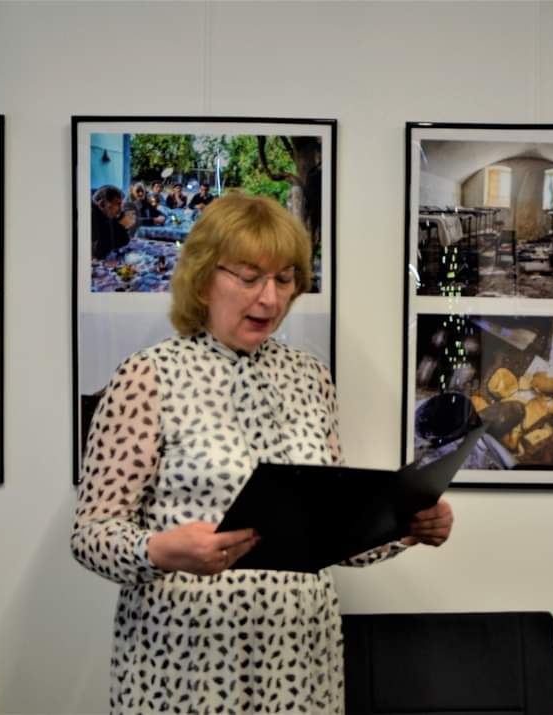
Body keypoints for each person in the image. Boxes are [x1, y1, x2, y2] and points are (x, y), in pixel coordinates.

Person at [71, 192, 454, 713]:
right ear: (203, 278)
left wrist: (406, 525)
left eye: (284, 279)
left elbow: (333, 532)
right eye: (250, 278)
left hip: (298, 662)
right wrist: (159, 550)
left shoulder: (311, 377)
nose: (270, 299)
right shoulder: (148, 377)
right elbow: (91, 534)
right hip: (185, 665)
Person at [90, 185, 133, 260]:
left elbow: (123, 241)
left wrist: (123, 225)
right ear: (102, 204)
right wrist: (121, 226)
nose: (121, 209)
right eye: (118, 204)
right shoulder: (92, 217)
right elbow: (99, 252)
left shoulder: (107, 215)